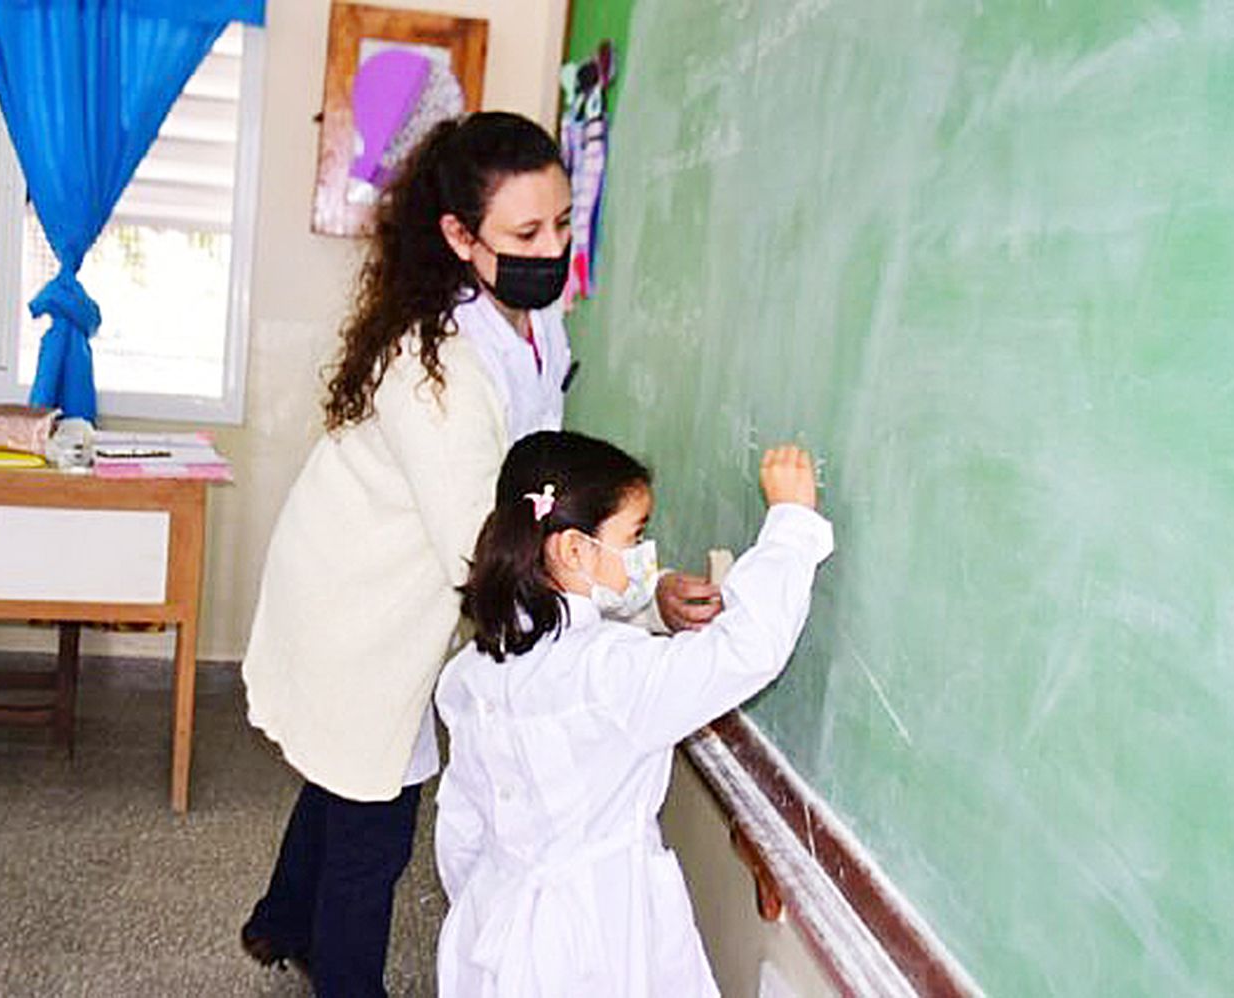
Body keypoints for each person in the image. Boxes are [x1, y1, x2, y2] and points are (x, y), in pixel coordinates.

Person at [239, 111, 575, 997]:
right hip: (360, 599)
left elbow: (535, 459)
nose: (554, 248)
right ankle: (342, 977)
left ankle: (280, 921)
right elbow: (478, 543)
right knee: (375, 815)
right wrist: (608, 590)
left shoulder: (535, 320)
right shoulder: (437, 365)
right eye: (528, 232)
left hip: (389, 580)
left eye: (565, 223)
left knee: (348, 763)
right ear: (460, 236)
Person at [434, 430, 833, 997]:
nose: (645, 556)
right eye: (634, 535)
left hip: (495, 917)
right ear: (574, 550)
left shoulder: (475, 669)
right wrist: (791, 523)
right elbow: (746, 651)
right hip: (598, 929)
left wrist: (487, 905)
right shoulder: (611, 674)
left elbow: (460, 824)